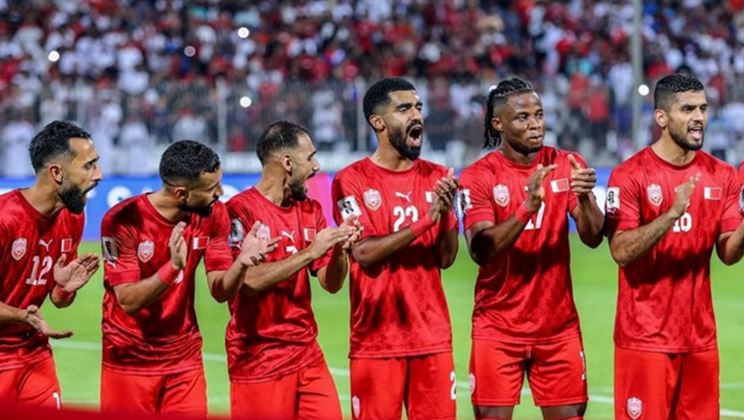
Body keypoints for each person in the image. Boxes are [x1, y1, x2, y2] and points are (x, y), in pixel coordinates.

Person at [459, 77, 604, 420]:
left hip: (558, 328)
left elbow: (593, 237)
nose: (535, 124)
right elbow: (480, 250)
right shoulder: (478, 176)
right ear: (498, 124)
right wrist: (527, 208)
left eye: (539, 115)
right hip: (498, 327)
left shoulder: (566, 163)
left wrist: (584, 198)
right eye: (523, 117)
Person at [606, 73, 744, 419]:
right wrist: (670, 214)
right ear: (662, 117)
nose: (699, 118)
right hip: (644, 340)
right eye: (688, 109)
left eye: (703, 109)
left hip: (700, 340)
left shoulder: (722, 174)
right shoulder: (629, 175)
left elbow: (729, 253)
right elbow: (620, 251)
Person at [99, 140, 271, 416]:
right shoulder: (122, 219)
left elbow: (220, 291)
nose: (220, 193)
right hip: (129, 358)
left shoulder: (214, 214)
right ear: (181, 193)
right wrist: (172, 268)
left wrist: (240, 264)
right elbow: (128, 301)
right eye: (211, 188)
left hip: (184, 358)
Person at [331, 78, 459, 420]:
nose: (416, 115)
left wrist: (447, 213)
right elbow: (362, 253)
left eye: (418, 107)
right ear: (379, 122)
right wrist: (427, 220)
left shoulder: (437, 177)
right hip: (376, 340)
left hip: (431, 336)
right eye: (404, 109)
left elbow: (446, 259)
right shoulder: (351, 180)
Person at [224, 121, 361, 419]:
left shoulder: (311, 209)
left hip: (306, 353)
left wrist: (339, 249)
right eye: (310, 157)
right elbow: (248, 282)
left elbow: (331, 283)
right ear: (287, 162)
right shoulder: (239, 210)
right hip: (258, 359)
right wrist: (310, 252)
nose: (317, 166)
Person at [0, 120, 102, 408]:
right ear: (56, 172)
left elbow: (58, 299)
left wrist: (65, 288)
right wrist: (22, 315)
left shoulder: (73, 217)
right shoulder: (5, 219)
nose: (99, 175)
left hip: (34, 353)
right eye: (89, 166)